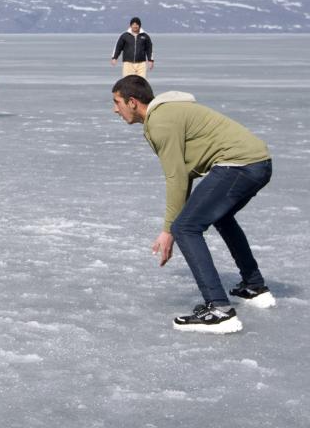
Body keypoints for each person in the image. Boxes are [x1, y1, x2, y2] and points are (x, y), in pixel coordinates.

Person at [111, 75, 275, 334]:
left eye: (116, 102)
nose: (114, 109)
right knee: (219, 216)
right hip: (259, 163)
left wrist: (169, 231)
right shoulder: (169, 112)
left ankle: (219, 309)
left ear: (132, 102)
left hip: (239, 165)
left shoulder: (160, 122)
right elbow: (185, 174)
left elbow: (176, 178)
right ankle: (253, 286)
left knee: (185, 228)